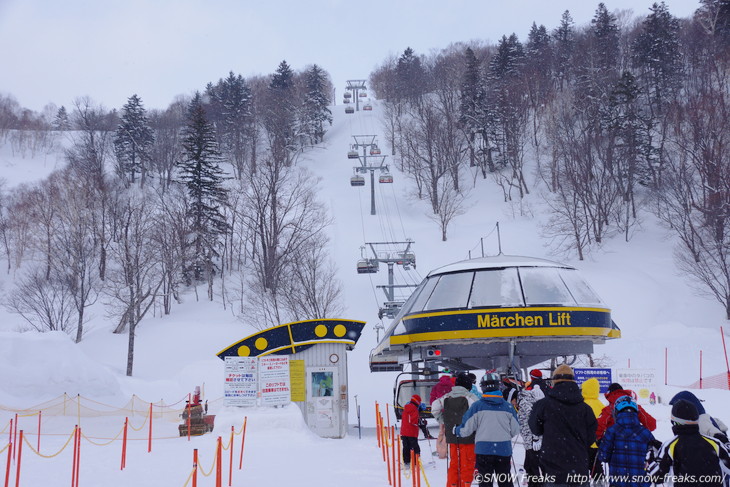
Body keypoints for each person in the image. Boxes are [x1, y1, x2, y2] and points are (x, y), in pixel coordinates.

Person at [529, 364, 597, 487]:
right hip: (579, 467)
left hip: (552, 467)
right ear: (573, 381)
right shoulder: (585, 409)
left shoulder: (543, 405)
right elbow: (591, 437)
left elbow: (535, 429)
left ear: (554, 381)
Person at [455, 372, 520, 487]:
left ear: (483, 387)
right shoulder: (508, 407)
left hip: (483, 451)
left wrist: (456, 430)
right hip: (503, 449)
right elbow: (515, 430)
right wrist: (504, 436)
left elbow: (466, 429)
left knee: (485, 482)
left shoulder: (477, 406)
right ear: (498, 386)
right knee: (505, 480)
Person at [647, 399, 730, 487]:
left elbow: (656, 477)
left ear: (674, 421)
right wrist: (725, 442)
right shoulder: (714, 443)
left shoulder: (670, 446)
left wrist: (651, 457)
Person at [597, 396, 658, 487]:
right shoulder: (645, 433)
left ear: (616, 412)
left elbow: (603, 457)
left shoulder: (612, 431)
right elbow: (654, 458)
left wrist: (602, 444)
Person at [432, 372, 477, 487]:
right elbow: (479, 412)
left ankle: (452, 484)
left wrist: (444, 421)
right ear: (467, 385)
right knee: (467, 464)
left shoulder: (446, 397)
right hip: (468, 438)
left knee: (454, 464)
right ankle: (465, 484)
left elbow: (434, 408)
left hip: (452, 437)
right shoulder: (470, 397)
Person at [518, 374, 545, 487]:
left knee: (533, 467)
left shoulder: (525, 403)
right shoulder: (529, 404)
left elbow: (531, 421)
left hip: (532, 440)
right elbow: (534, 421)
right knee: (534, 466)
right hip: (532, 440)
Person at [581, 378, 604, 480]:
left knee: (582, 468)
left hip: (584, 442)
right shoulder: (601, 405)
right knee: (596, 467)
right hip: (598, 442)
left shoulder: (581, 405)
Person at [401, 394, 422, 468]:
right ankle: (416, 461)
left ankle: (406, 461)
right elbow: (413, 421)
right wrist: (420, 423)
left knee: (406, 447)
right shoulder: (414, 409)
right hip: (412, 432)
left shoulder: (406, 407)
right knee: (414, 447)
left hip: (404, 431)